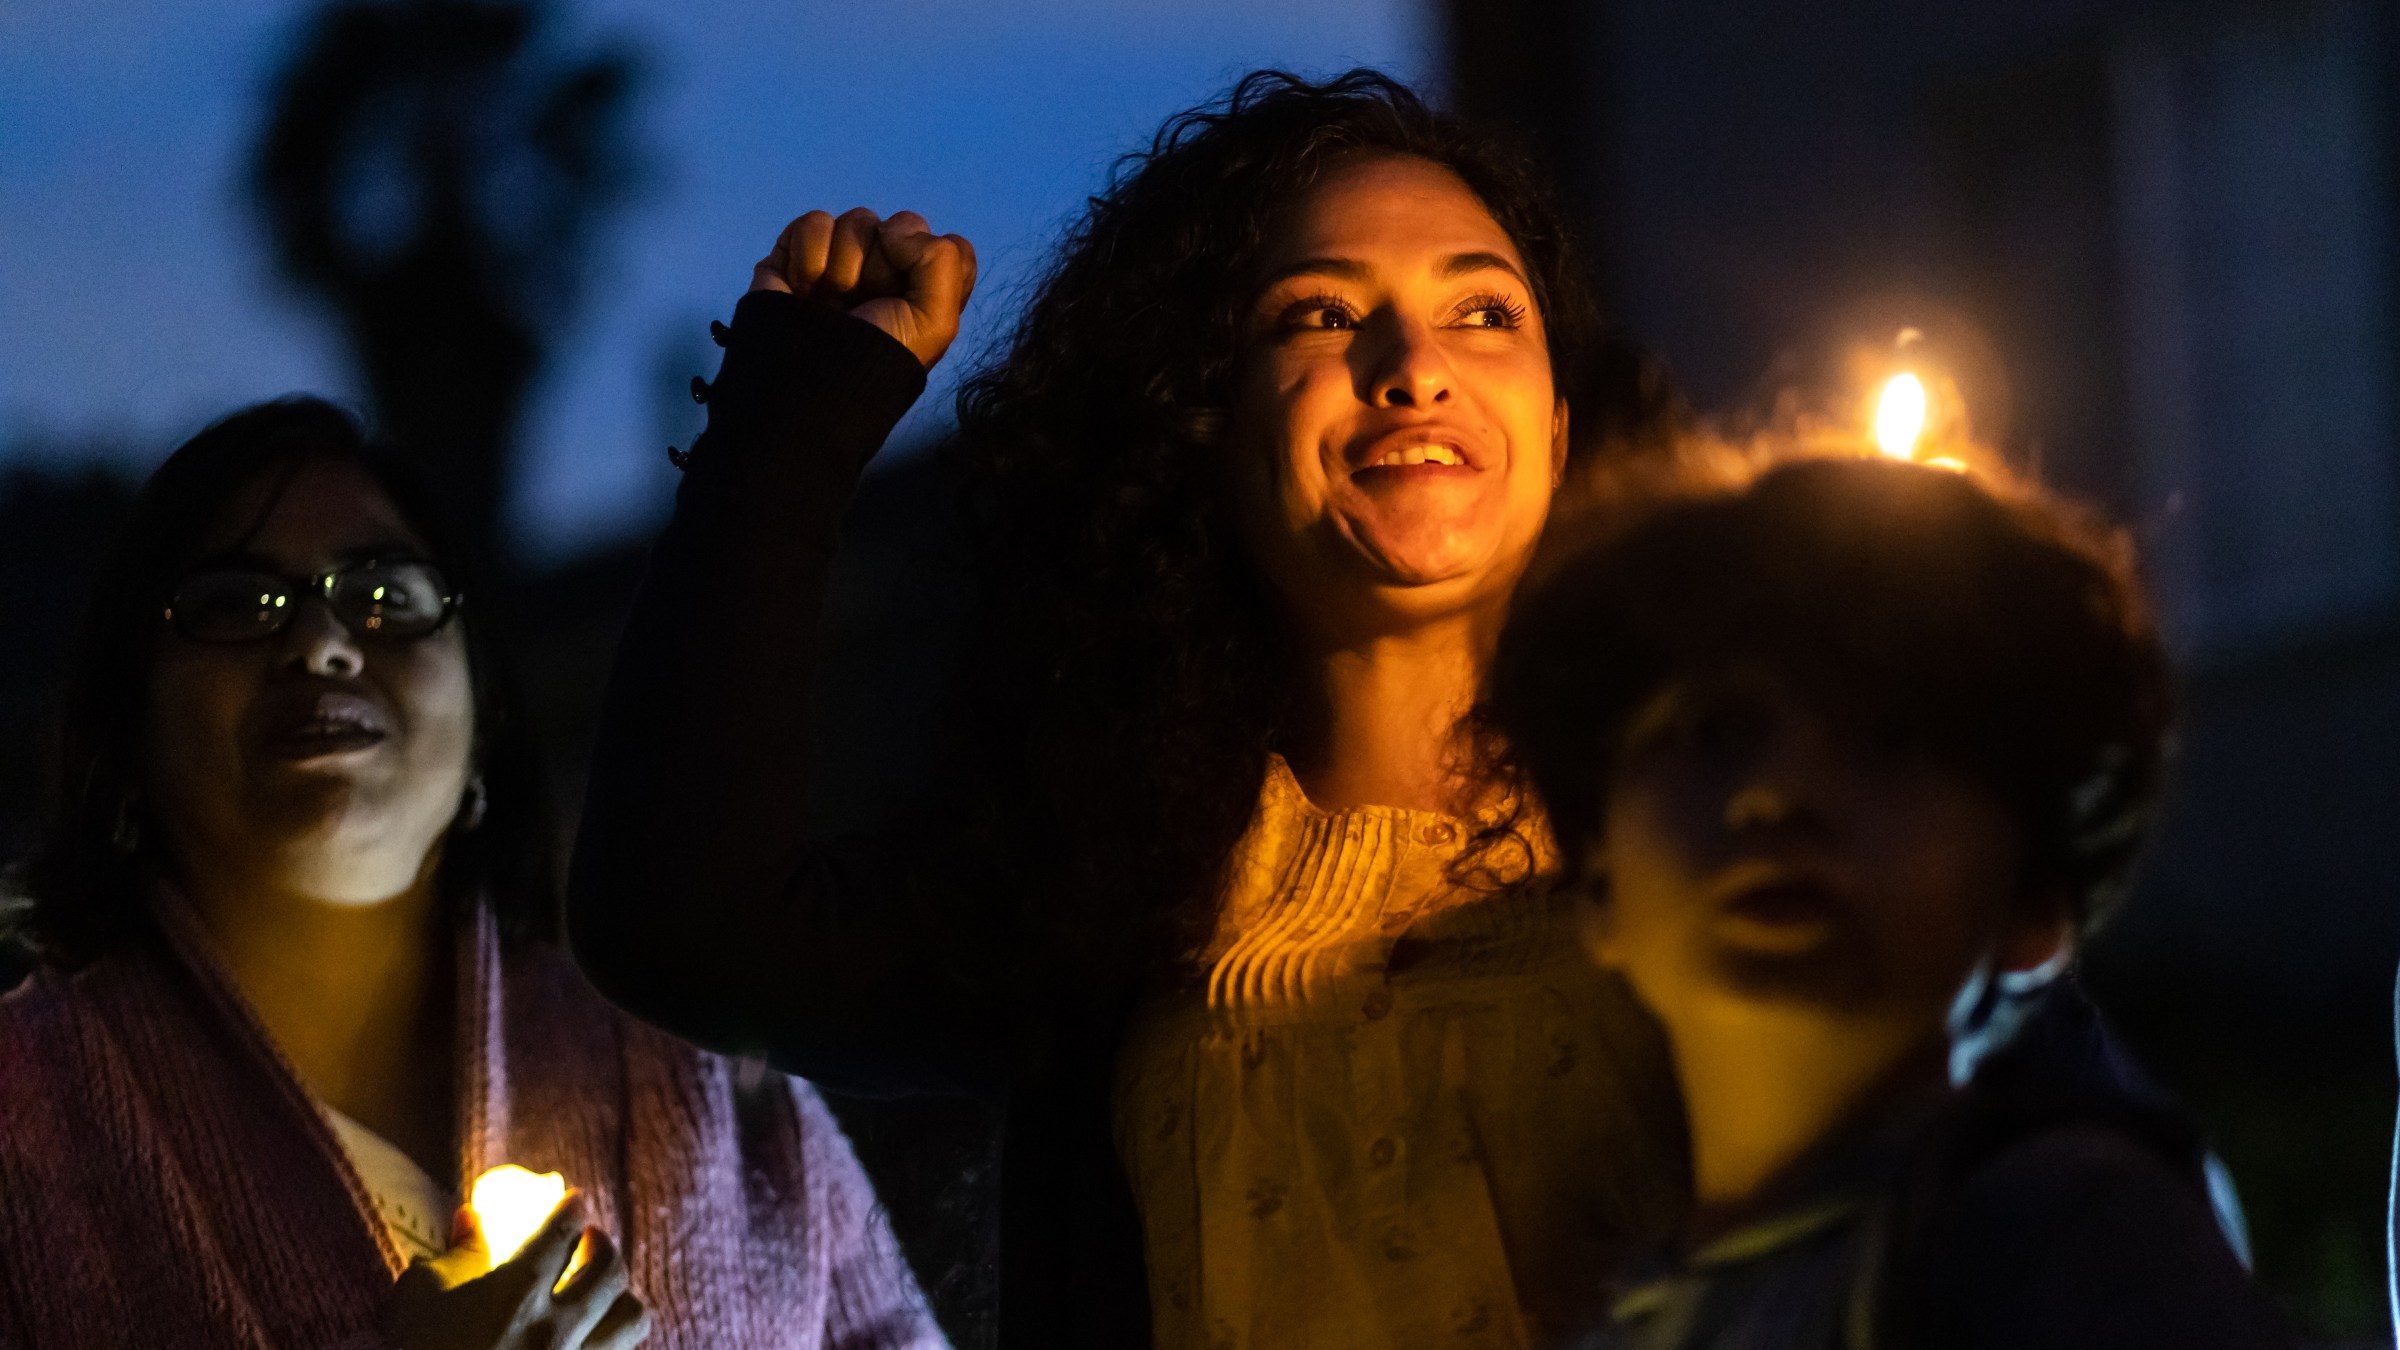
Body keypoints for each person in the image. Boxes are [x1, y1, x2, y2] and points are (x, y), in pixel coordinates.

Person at [568, 70, 1687, 1347]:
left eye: (1482, 310)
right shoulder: (1102, 889)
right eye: (1317, 314)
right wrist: (797, 410)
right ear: (1197, 423)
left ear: (1554, 417)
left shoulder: (1708, 821)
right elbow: (684, 917)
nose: (1414, 366)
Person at [0, 399, 943, 1349]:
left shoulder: (712, 1081)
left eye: (386, 597)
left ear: (485, 713)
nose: (320, 644)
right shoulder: (24, 1118)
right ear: (125, 727)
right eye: (239, 606)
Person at [1484, 456, 2293, 1347]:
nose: (1779, 790)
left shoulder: (2059, 1241)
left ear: (2036, 901)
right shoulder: (1628, 1322)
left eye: (1888, 745)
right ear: (1598, 882)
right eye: (1716, 733)